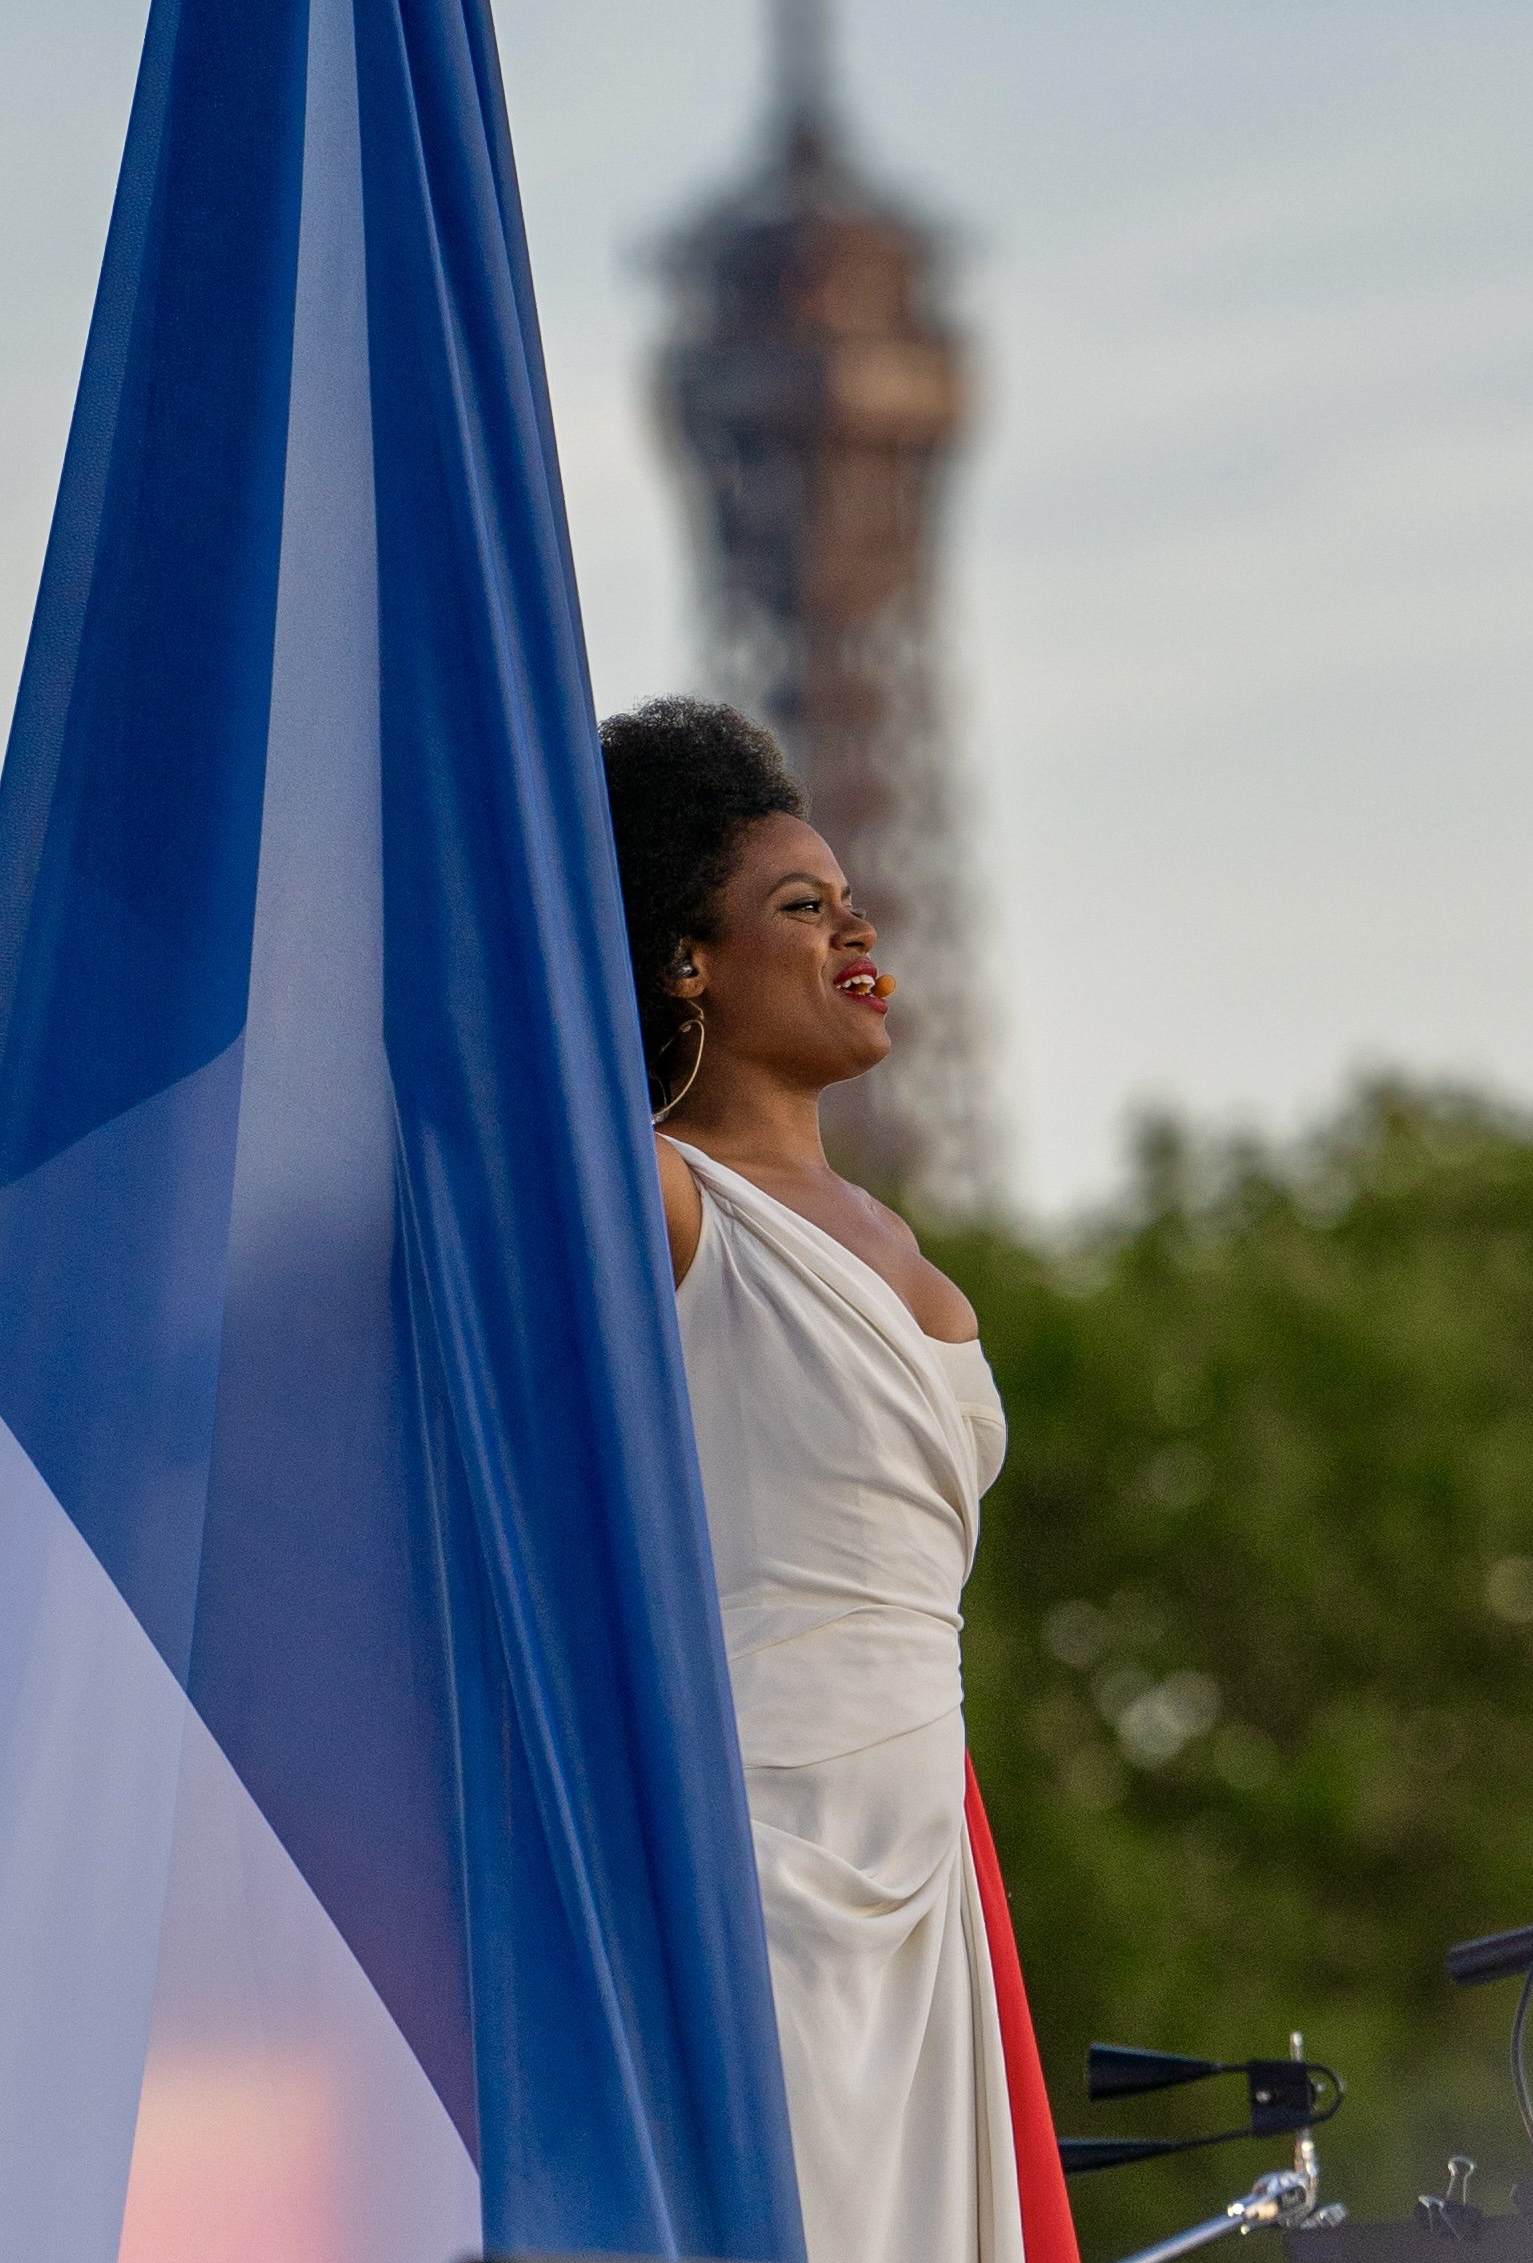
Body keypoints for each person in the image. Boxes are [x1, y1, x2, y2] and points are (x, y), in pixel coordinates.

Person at [600, 696, 1078, 2263]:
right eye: (800, 907)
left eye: (855, 899)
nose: (856, 926)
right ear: (686, 960)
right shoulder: (663, 1195)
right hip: (763, 1846)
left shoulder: (895, 1236)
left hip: (924, 1863)